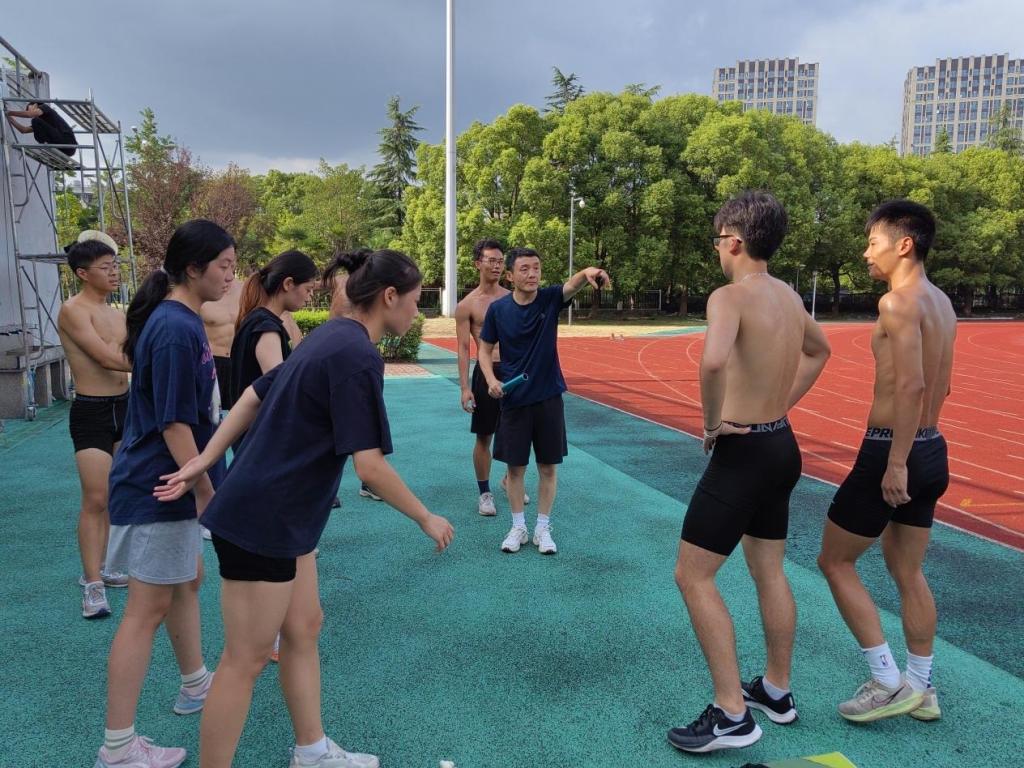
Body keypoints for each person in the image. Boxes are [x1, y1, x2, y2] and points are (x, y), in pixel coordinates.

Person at [153, 248, 454, 768]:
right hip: (264, 518)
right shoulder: (356, 354)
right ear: (389, 297)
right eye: (414, 300)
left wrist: (205, 459)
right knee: (245, 659)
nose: (416, 311)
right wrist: (426, 516)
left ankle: (312, 751)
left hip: (287, 516)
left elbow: (253, 394)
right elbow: (370, 468)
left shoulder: (333, 335)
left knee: (304, 625)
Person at [668, 191, 830, 754]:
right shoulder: (788, 296)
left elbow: (713, 361)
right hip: (781, 445)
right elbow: (820, 350)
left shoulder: (729, 296)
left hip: (742, 452)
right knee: (769, 570)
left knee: (692, 576)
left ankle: (732, 713)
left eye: (718, 241)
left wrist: (712, 424)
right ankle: (776, 691)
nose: (717, 250)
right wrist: (780, 404)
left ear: (734, 242)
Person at [93, 220, 236, 768]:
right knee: (145, 610)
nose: (231, 276)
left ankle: (195, 682)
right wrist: (204, 491)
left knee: (186, 581)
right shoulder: (176, 327)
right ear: (193, 269)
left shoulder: (179, 320)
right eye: (224, 265)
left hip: (164, 481)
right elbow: (175, 423)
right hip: (160, 485)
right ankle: (118, 747)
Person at [817, 200, 955, 724]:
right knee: (907, 569)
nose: (866, 252)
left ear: (904, 244)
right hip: (932, 446)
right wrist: (914, 451)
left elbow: (913, 385)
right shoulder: (942, 303)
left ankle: (886, 681)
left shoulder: (897, 302)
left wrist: (896, 462)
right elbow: (942, 386)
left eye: (873, 242)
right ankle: (922, 686)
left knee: (835, 562)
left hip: (890, 449)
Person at [477, 247, 610, 555]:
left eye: (536, 267)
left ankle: (542, 528)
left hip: (548, 398)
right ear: (510, 276)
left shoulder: (549, 299)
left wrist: (587, 272)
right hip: (514, 401)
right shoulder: (498, 310)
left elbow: (572, 285)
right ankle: (518, 527)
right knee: (515, 470)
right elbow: (484, 350)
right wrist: (491, 380)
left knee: (548, 467)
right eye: (524, 269)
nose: (532, 274)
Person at [57, 231, 132, 619]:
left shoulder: (117, 312)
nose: (114, 272)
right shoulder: (73, 310)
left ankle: (108, 566)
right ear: (83, 273)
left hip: (125, 406)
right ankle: (92, 585)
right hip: (92, 411)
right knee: (96, 498)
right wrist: (154, 363)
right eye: (106, 267)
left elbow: (129, 350)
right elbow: (105, 358)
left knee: (117, 495)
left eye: (115, 265)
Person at [455, 239, 532, 516]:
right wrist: (465, 387)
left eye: (500, 261)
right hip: (486, 374)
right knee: (484, 436)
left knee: (519, 432)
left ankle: (511, 479)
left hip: (514, 371)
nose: (497, 266)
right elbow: (464, 348)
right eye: (491, 261)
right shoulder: (467, 305)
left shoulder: (513, 297)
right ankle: (484, 492)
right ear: (478, 263)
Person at [323, 251, 384, 502]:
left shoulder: (350, 286)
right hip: (349, 365)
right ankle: (334, 488)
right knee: (350, 429)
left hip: (354, 363)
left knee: (357, 428)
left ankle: (362, 484)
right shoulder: (351, 289)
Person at [201, 276, 243, 414]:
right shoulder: (204, 292)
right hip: (211, 361)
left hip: (237, 362)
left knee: (236, 414)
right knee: (210, 415)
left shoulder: (244, 289)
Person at [6, 101, 77, 156]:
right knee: (36, 124)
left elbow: (29, 114)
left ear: (35, 105)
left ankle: (45, 144)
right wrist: (9, 118)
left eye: (29, 109)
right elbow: (24, 130)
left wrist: (9, 112)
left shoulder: (44, 107)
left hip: (68, 143)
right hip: (65, 150)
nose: (28, 111)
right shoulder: (42, 124)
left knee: (35, 120)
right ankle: (46, 144)